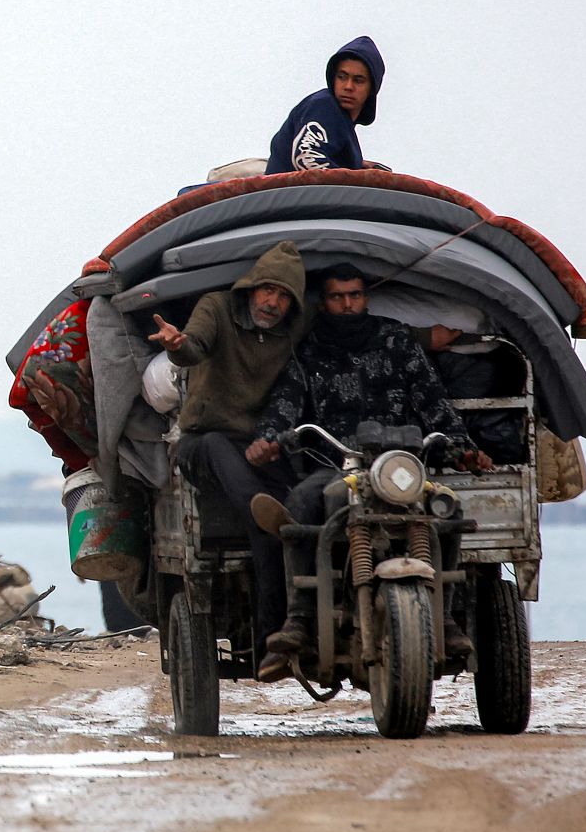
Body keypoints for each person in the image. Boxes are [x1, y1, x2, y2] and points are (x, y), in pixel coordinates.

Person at [248, 264, 488, 678]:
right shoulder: (308, 350)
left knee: (444, 507)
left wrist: (463, 449)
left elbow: (433, 401)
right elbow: (285, 402)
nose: (347, 305)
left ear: (365, 297)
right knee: (303, 501)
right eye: (338, 297)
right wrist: (269, 438)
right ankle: (301, 618)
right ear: (324, 302)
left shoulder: (395, 340)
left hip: (401, 466)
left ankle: (446, 619)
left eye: (355, 296)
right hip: (336, 464)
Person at [146, 241, 311, 662]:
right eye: (267, 290)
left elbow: (348, 324)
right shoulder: (216, 307)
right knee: (230, 465)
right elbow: (194, 345)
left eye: (283, 295)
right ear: (251, 287)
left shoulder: (295, 326)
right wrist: (176, 344)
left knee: (280, 527)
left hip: (262, 444)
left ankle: (274, 642)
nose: (272, 302)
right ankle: (257, 504)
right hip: (203, 442)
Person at [265, 36, 387, 174]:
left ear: (372, 88)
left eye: (358, 80)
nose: (348, 86)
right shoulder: (324, 106)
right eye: (342, 77)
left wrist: (358, 167)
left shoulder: (343, 126)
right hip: (291, 195)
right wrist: (357, 179)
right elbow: (306, 158)